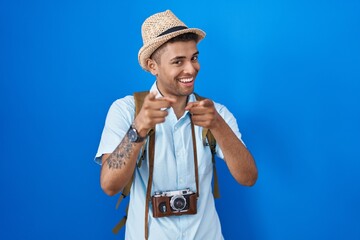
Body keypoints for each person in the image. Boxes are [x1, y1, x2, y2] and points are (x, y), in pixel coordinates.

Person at [95, 9, 258, 240]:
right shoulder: (126, 110)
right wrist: (139, 127)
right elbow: (110, 186)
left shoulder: (216, 113)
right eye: (178, 61)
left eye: (194, 58)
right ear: (153, 66)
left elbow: (249, 177)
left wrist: (219, 126)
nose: (191, 69)